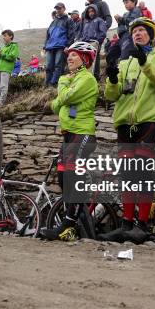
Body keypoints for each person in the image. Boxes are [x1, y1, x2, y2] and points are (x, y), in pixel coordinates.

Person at [101, 18, 155, 244]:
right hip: (125, 122)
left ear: (150, 36)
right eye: (134, 31)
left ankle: (143, 225)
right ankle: (126, 225)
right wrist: (113, 79)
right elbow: (111, 96)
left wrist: (146, 63)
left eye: (142, 30)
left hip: (149, 119)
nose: (137, 34)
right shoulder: (125, 63)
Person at [40, 41, 98, 242]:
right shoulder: (72, 79)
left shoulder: (87, 79)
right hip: (69, 134)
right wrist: (62, 98)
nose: (69, 58)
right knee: (63, 176)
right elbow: (57, 106)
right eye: (68, 56)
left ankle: (67, 226)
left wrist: (63, 86)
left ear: (85, 59)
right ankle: (77, 222)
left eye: (74, 55)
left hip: (83, 134)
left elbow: (64, 97)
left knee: (73, 175)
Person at [109, 0, 142, 69]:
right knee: (111, 53)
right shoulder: (126, 14)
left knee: (125, 55)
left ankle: (124, 70)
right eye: (124, 3)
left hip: (130, 36)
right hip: (122, 37)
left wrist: (120, 19)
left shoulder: (136, 10)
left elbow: (131, 21)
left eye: (127, 2)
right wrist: (119, 21)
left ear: (134, 2)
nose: (125, 5)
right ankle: (113, 70)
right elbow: (122, 27)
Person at [43, 3, 72, 87]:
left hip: (61, 46)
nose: (58, 10)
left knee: (58, 65)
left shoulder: (68, 20)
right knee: (48, 66)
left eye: (59, 8)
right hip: (50, 47)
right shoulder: (53, 22)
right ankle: (47, 83)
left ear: (64, 9)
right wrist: (45, 46)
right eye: (56, 8)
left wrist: (68, 45)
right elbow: (48, 35)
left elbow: (71, 34)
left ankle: (54, 83)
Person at [80, 5, 108, 80]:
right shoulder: (86, 22)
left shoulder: (99, 20)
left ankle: (93, 78)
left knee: (93, 61)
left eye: (92, 11)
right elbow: (83, 33)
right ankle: (85, 78)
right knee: (85, 61)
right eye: (89, 12)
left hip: (94, 42)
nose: (91, 13)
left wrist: (98, 41)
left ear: (96, 11)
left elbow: (103, 32)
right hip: (85, 43)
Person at [0, 30, 19, 106]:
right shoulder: (3, 47)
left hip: (6, 69)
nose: (3, 38)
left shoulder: (14, 46)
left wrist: (1, 53)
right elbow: (0, 58)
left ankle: (0, 103)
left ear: (10, 36)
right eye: (3, 36)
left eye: (5, 36)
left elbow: (12, 57)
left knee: (3, 86)